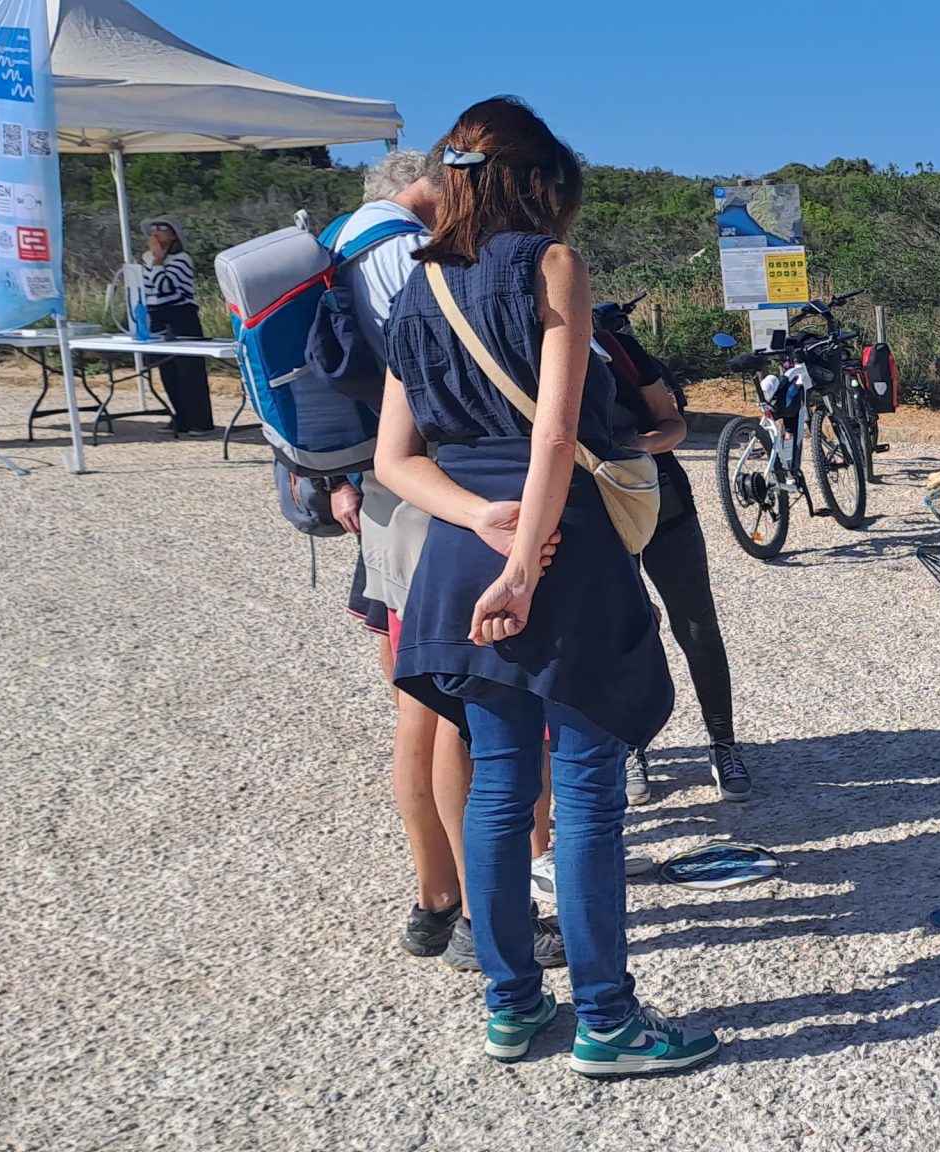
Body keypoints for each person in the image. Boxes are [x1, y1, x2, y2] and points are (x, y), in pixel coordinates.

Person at [375, 96, 717, 1076]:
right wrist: (524, 562)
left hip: (460, 548)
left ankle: (510, 1004)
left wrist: (477, 523)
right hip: (557, 546)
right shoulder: (552, 269)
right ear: (535, 183)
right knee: (587, 786)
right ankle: (607, 1020)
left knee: (493, 784)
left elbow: (394, 459)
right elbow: (558, 435)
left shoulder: (418, 289)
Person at [330, 150, 569, 971]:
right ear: (439, 185)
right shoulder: (406, 250)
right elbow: (446, 371)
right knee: (461, 709)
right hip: (438, 499)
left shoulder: (346, 240)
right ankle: (478, 908)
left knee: (421, 705)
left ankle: (437, 902)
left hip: (392, 493)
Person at [597, 308, 747, 803]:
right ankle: (631, 745)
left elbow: (673, 425)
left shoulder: (617, 348)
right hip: (592, 519)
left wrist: (634, 447)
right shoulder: (526, 351)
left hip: (661, 502)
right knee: (622, 631)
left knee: (697, 625)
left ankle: (722, 741)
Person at [138, 218, 215, 434]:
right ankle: (180, 416)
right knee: (167, 371)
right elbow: (147, 288)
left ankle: (200, 420)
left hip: (181, 317)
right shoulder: (146, 259)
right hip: (157, 317)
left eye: (162, 229)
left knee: (189, 371)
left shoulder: (182, 260)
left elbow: (165, 287)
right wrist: (154, 261)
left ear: (173, 236)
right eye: (153, 230)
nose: (155, 233)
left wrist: (159, 261)